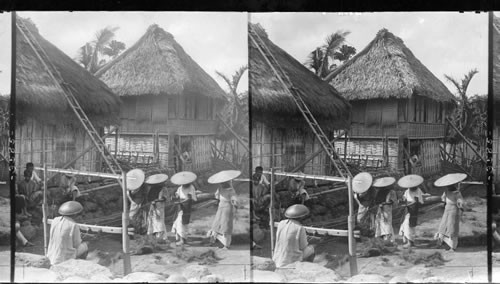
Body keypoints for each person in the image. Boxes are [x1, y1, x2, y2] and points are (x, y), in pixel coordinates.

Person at [47, 201, 88, 265]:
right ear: (75, 214)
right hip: (65, 258)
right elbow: (76, 244)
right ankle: (77, 266)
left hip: (51, 256)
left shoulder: (55, 220)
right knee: (85, 245)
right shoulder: (73, 225)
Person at [207, 170, 240, 249]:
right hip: (220, 207)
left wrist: (235, 205)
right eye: (221, 183)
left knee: (226, 226)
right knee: (216, 224)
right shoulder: (220, 188)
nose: (222, 184)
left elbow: (235, 201)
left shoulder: (231, 190)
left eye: (224, 182)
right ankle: (212, 241)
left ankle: (226, 245)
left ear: (228, 182)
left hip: (227, 209)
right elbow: (216, 196)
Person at [434, 173, 467, 252]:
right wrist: (443, 202)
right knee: (443, 226)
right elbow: (443, 199)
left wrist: (461, 207)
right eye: (448, 186)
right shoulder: (446, 191)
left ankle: (452, 247)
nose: (449, 187)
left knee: (452, 228)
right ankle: (439, 243)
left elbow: (460, 203)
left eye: (450, 185)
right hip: (447, 210)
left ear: (453, 185)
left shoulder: (457, 193)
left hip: (454, 211)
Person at [170, 171, 198, 245]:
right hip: (180, 206)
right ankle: (180, 238)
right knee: (177, 222)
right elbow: (177, 195)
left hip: (186, 206)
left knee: (182, 222)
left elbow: (189, 198)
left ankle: (183, 240)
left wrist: (181, 202)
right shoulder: (180, 188)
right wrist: (175, 197)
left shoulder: (191, 187)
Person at [398, 174, 425, 248]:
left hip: (413, 208)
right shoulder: (407, 191)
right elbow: (405, 198)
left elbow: (416, 201)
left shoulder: (418, 190)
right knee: (405, 224)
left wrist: (408, 205)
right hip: (407, 208)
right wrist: (402, 199)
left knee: (410, 225)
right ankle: (408, 240)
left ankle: (410, 242)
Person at [145, 174, 170, 244]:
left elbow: (164, 198)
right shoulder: (152, 189)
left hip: (160, 207)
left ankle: (161, 236)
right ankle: (155, 235)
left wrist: (156, 201)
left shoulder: (163, 189)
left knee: (159, 221)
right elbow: (149, 197)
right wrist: (152, 202)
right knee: (152, 221)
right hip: (152, 207)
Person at [373, 177, 398, 242]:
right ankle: (381, 237)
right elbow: (376, 201)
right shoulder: (379, 192)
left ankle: (388, 238)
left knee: (387, 223)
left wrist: (384, 203)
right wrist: (379, 204)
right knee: (379, 223)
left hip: (387, 209)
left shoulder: (391, 192)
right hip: (380, 209)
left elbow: (392, 201)